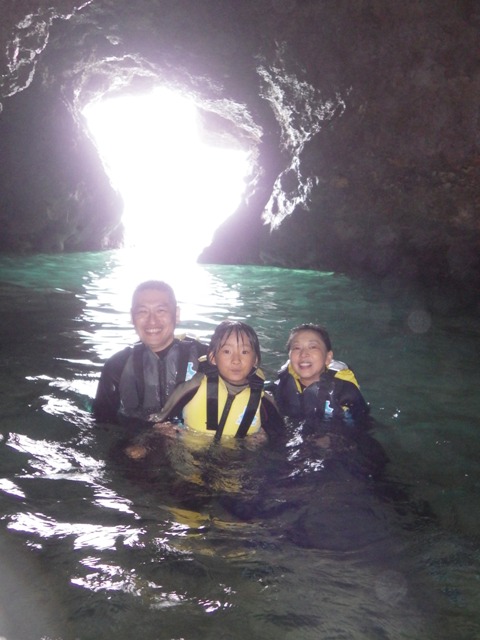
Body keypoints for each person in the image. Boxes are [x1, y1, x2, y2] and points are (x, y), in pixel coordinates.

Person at [147, 320, 284, 442]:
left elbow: (281, 436)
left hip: (236, 458)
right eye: (227, 351)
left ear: (255, 360)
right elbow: (158, 420)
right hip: (190, 454)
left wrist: (265, 437)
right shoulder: (194, 386)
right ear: (213, 358)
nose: (236, 360)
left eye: (244, 352)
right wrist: (164, 431)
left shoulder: (262, 399)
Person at [93, 280, 208, 424]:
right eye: (143, 311)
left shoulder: (207, 358)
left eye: (161, 311)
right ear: (132, 317)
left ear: (177, 314)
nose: (152, 321)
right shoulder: (117, 366)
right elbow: (102, 424)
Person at [273, 323, 370, 426]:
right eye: (297, 348)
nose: (303, 354)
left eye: (313, 347)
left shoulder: (345, 391)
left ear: (328, 357)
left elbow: (363, 425)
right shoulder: (282, 384)